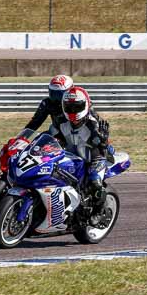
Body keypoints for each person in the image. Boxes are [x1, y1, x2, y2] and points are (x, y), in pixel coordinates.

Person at [52, 86, 111, 225]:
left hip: (94, 158)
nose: (73, 111)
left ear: (85, 105)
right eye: (69, 107)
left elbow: (103, 146)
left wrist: (103, 138)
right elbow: (51, 136)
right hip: (70, 156)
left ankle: (99, 211)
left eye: (76, 107)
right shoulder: (60, 120)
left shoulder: (93, 123)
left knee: (95, 182)